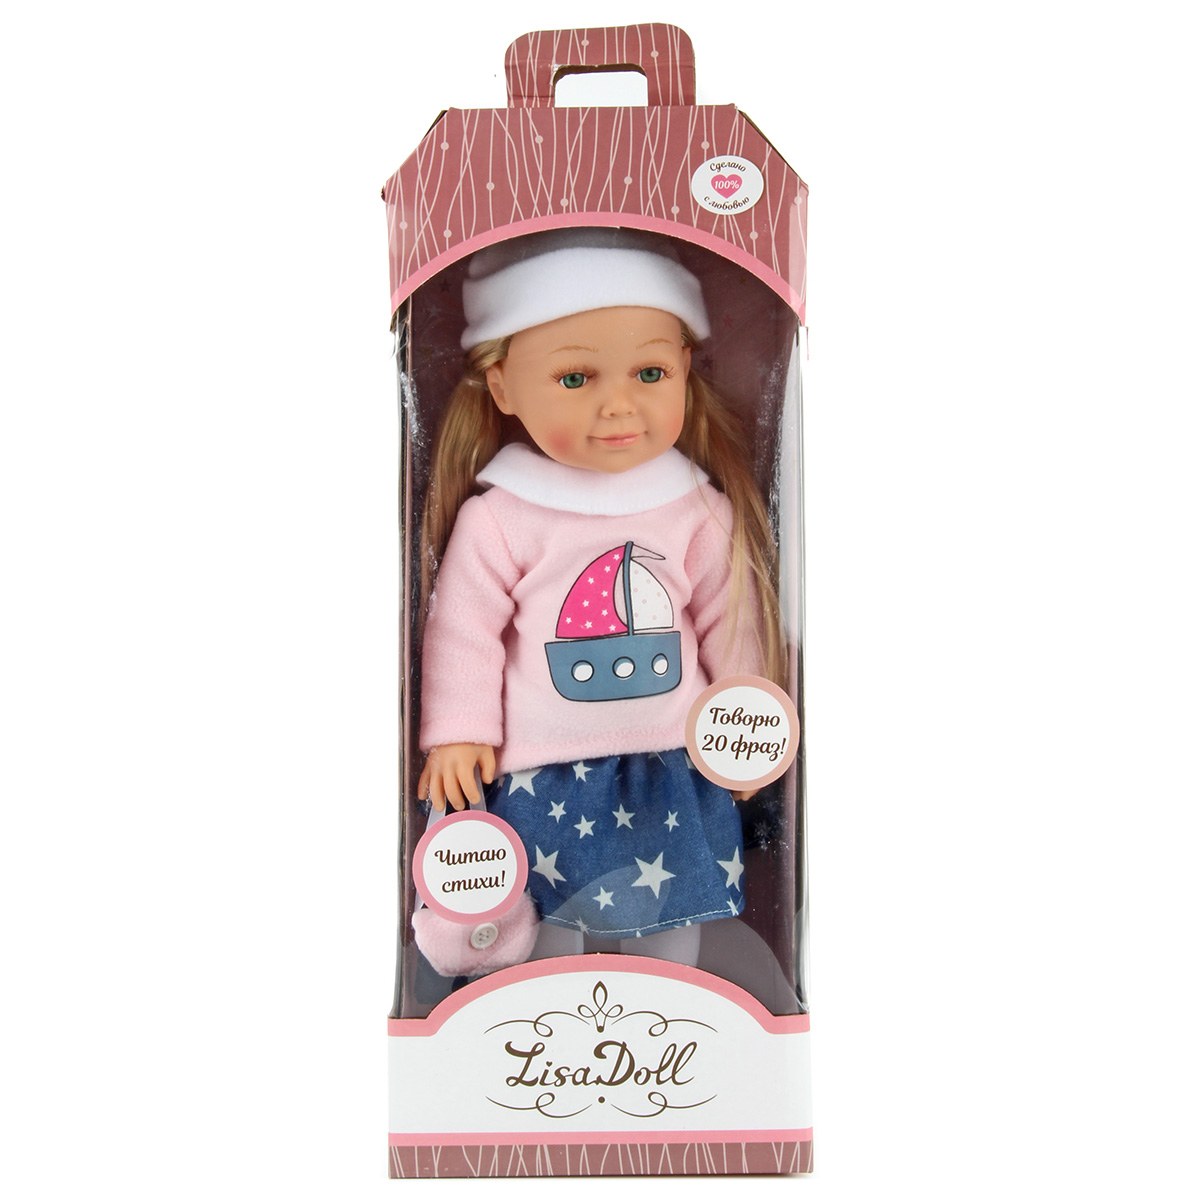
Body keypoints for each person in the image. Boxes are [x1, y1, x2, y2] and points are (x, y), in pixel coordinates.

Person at [415, 229, 782, 972]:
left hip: (670, 765)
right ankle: (539, 1003)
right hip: (544, 772)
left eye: (649, 372)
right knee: (544, 922)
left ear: (685, 370)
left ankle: (673, 1004)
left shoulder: (695, 510)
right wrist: (458, 729)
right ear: (502, 388)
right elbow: (463, 630)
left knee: (670, 920)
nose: (619, 406)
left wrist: (746, 727)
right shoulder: (503, 515)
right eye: (576, 378)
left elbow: (731, 623)